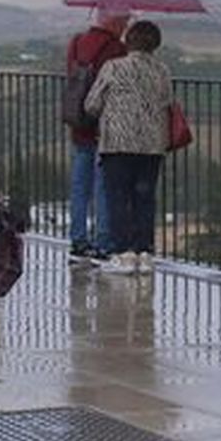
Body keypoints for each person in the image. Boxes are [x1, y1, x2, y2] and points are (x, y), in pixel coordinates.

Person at [84, 20, 174, 275]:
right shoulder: (163, 71)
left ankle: (123, 253)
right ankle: (145, 252)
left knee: (118, 197)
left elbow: (92, 103)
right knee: (145, 198)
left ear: (128, 41)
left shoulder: (113, 67)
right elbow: (167, 100)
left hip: (117, 143)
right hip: (152, 144)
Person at [64, 10, 129, 261]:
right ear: (113, 21)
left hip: (79, 123)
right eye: (124, 20)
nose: (126, 25)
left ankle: (78, 239)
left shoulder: (77, 42)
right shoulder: (116, 48)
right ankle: (104, 241)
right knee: (103, 186)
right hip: (105, 126)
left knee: (79, 186)